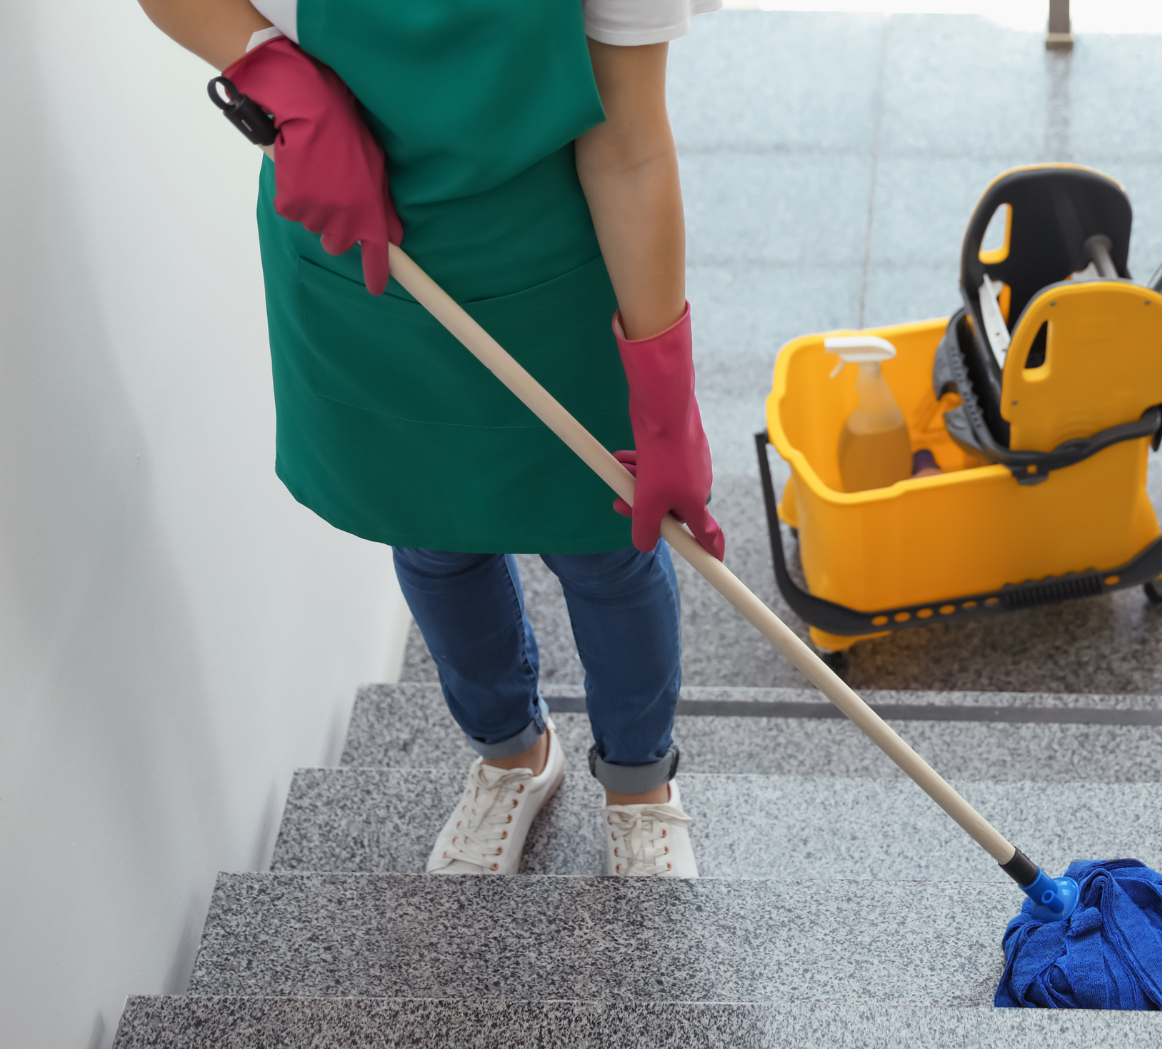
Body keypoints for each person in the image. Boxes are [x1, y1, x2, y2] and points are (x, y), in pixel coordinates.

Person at [138, 0, 725, 877]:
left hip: (550, 267)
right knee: (433, 532)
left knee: (607, 541)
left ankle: (639, 784)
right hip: (362, 269)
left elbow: (630, 145)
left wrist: (665, 396)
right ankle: (511, 756)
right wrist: (262, 60)